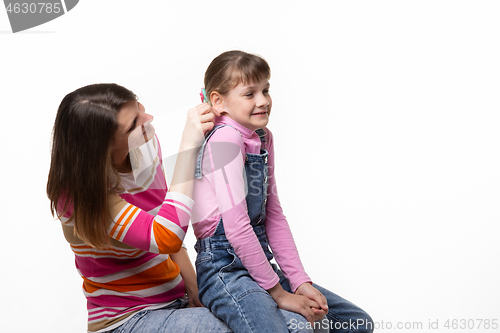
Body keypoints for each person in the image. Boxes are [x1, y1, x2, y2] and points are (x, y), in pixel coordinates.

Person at [191, 50, 374, 333]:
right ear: (218, 100)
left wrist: (300, 282)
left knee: (355, 323)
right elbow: (238, 228)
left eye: (266, 89)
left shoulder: (262, 137)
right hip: (224, 271)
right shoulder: (225, 139)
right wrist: (280, 294)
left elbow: (273, 215)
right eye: (250, 94)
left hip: (258, 264)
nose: (263, 100)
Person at [46, 83, 233, 333]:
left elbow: (165, 215)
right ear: (102, 148)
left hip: (173, 300)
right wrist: (188, 148)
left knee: (271, 318)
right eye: (133, 123)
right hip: (127, 319)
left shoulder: (143, 147)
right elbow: (166, 235)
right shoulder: (78, 197)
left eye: (138, 107)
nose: (148, 119)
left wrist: (194, 287)